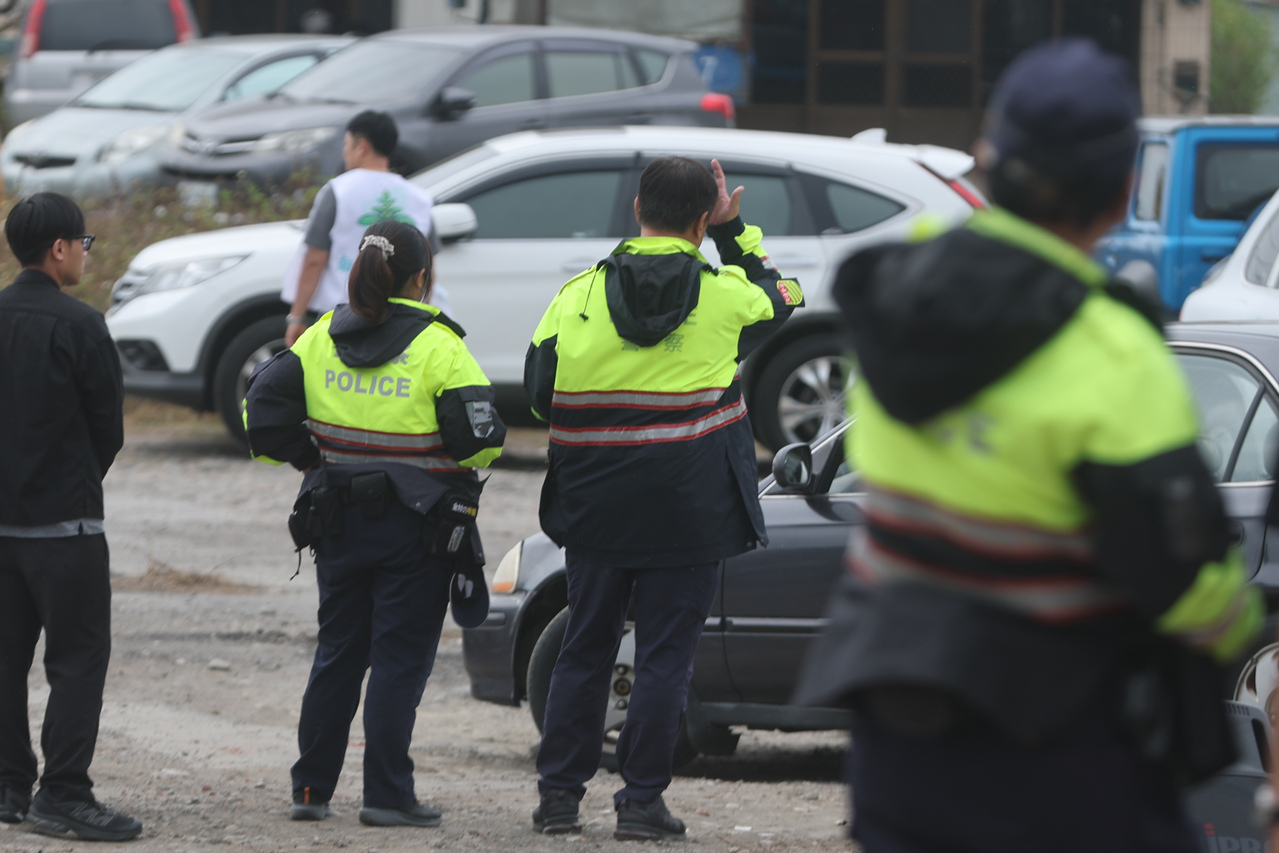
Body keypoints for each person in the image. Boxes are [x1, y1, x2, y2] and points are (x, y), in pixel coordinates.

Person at [793, 39, 1262, 853]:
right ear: (1121, 194)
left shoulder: (901, 303)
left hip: (897, 741)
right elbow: (1185, 587)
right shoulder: (1111, 351)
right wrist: (1236, 618)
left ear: (986, 157)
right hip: (1056, 751)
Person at [525, 156, 804, 840]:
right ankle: (640, 802)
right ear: (703, 219)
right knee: (662, 658)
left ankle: (559, 798)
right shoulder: (725, 294)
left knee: (584, 650)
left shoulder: (576, 295)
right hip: (690, 507)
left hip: (595, 506)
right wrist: (737, 234)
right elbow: (785, 295)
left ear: (635, 210)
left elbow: (538, 392)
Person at [245, 220, 505, 827]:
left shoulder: (319, 338)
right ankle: (387, 795)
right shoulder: (441, 346)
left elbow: (261, 412)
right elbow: (480, 445)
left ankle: (310, 790)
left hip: (336, 520)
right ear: (421, 277)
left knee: (337, 653)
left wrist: (312, 459)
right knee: (398, 659)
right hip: (417, 530)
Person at [0, 193, 141, 842]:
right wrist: (74, 481)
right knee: (78, 659)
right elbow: (106, 428)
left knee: (5, 659)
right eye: (83, 242)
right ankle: (63, 790)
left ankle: (7, 785)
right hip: (66, 527)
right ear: (58, 248)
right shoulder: (81, 325)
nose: (87, 251)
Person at [282, 110, 444, 347]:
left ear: (362, 147)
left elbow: (315, 259)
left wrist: (297, 315)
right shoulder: (418, 198)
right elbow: (429, 267)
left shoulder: (338, 191)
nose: (344, 152)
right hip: (404, 323)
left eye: (346, 144)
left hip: (343, 317)